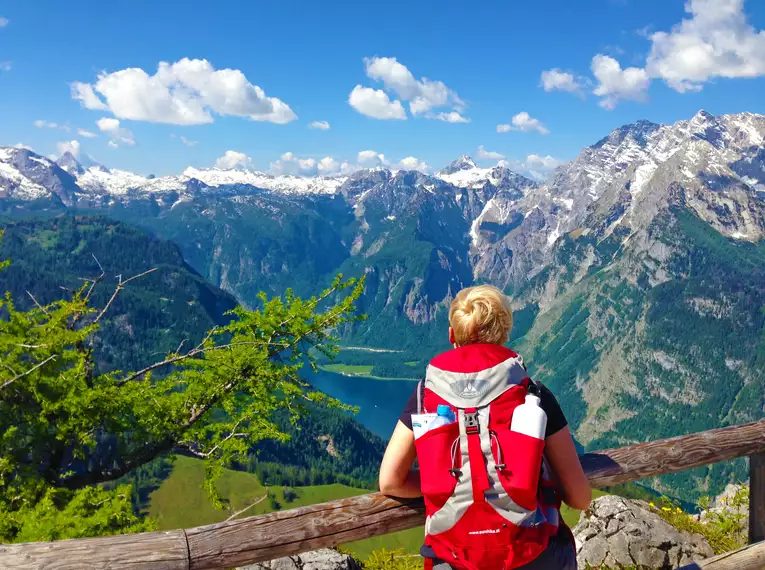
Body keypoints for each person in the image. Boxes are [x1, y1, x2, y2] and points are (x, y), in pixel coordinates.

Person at [379, 285, 591, 570]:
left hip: (453, 559)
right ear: (504, 333)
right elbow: (579, 497)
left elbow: (390, 481)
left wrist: (443, 483)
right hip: (531, 553)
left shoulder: (424, 394)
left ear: (452, 334)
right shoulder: (533, 394)